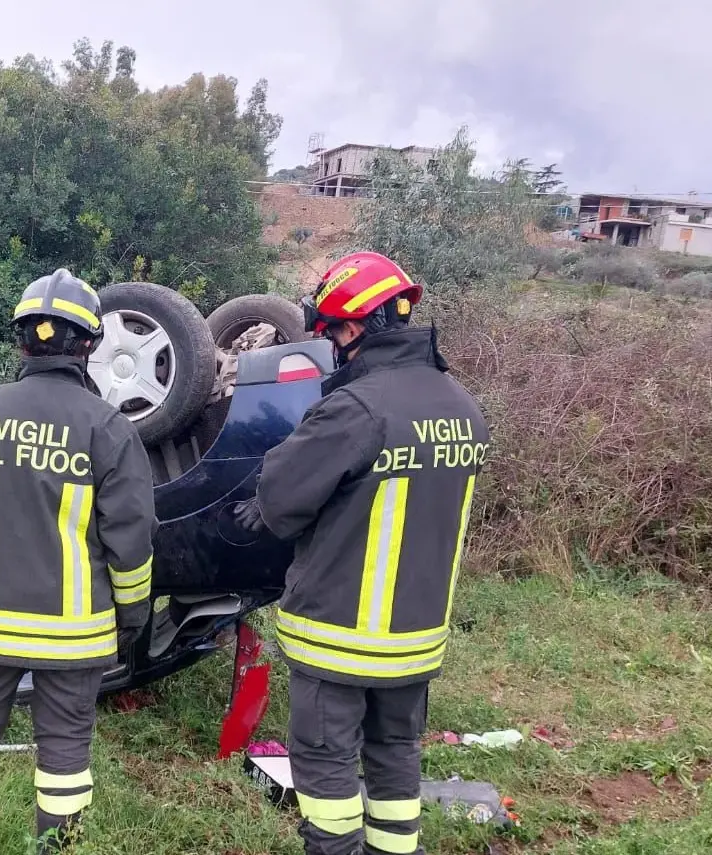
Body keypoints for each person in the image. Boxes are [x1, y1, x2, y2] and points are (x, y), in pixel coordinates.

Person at [229, 251, 491, 855]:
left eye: (329, 333)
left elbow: (283, 495)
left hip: (340, 632)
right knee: (395, 758)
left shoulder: (358, 408)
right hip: (417, 636)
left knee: (325, 765)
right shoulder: (462, 408)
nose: (330, 347)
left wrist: (264, 506)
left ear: (350, 328)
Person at [0, 268, 158, 855]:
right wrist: (130, 617)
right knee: (65, 756)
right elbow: (131, 542)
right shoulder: (108, 427)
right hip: (74, 637)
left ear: (22, 340)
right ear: (89, 344)